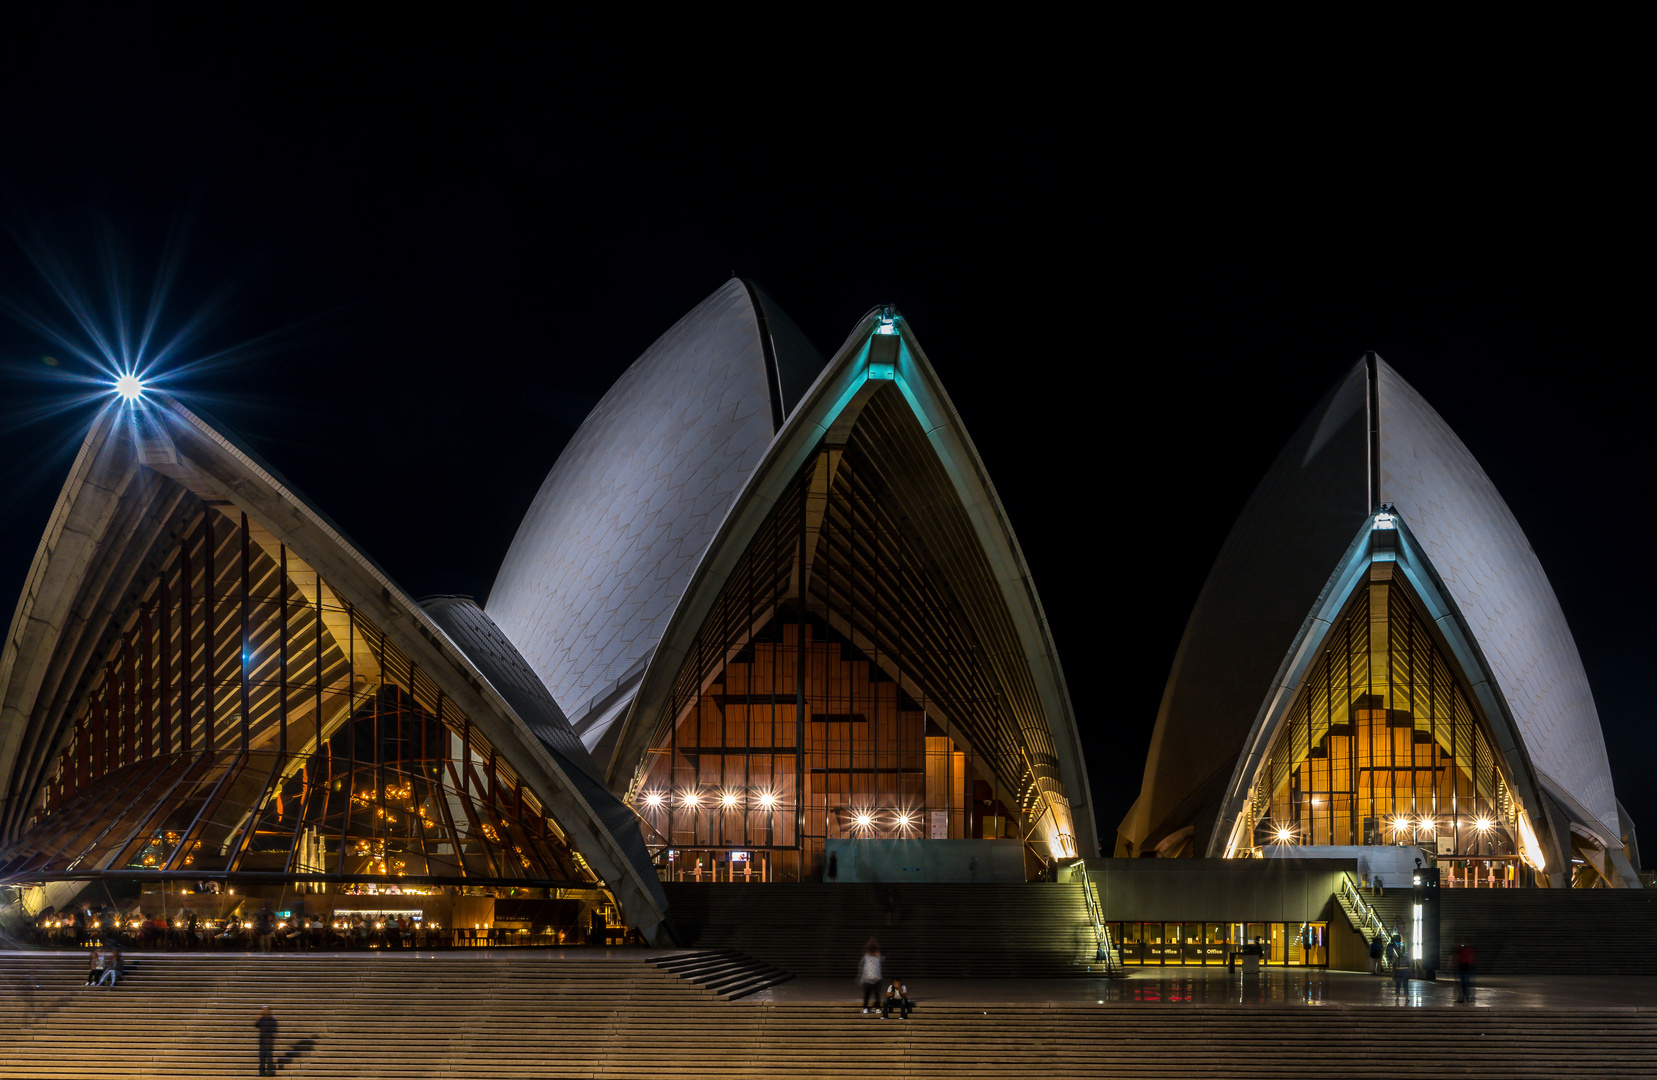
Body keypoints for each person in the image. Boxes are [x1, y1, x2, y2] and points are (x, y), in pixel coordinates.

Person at [858, 939, 883, 1014]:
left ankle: (866, 1007)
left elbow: (861, 966)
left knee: (868, 995)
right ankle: (876, 1007)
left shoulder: (867, 957)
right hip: (874, 978)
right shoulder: (877, 957)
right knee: (874, 994)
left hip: (869, 979)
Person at [255, 1006, 278, 1076]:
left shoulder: (273, 1020)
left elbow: (275, 1031)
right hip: (262, 1041)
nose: (264, 1011)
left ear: (269, 1011)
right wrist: (258, 1019)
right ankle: (261, 1072)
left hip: (269, 1042)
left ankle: (270, 1072)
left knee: (269, 1058)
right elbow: (256, 1025)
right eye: (263, 1010)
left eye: (266, 1010)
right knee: (262, 1058)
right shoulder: (261, 1019)